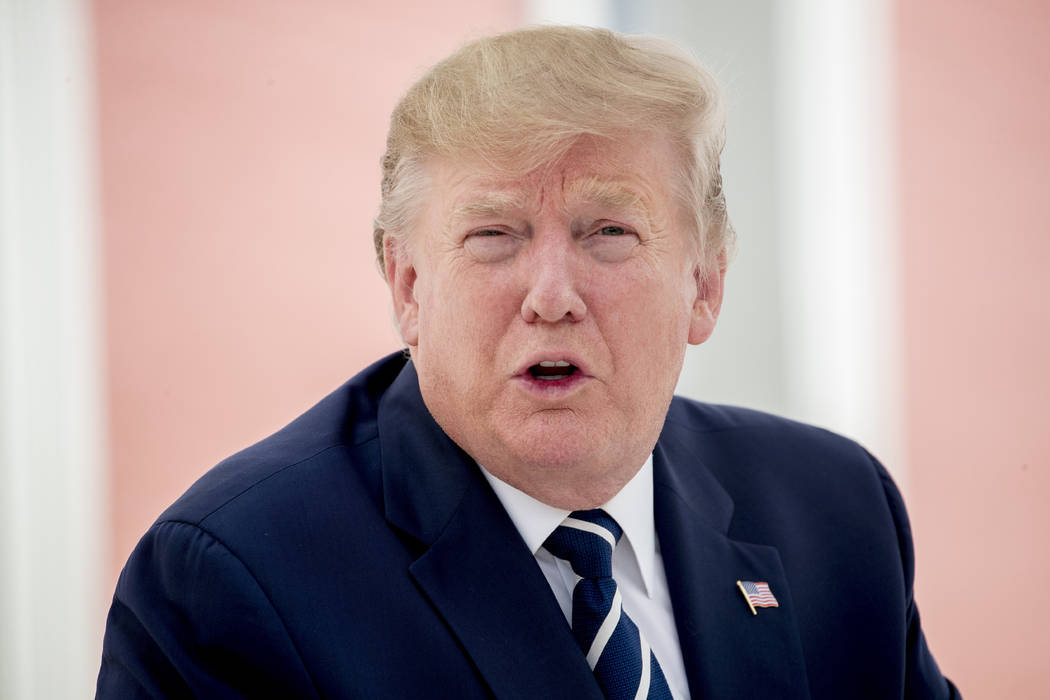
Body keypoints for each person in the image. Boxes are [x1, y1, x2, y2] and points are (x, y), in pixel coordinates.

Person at [97, 25, 960, 699]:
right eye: (493, 236)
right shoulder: (234, 579)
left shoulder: (836, 511)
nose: (552, 294)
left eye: (609, 232)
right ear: (408, 287)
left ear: (704, 285)